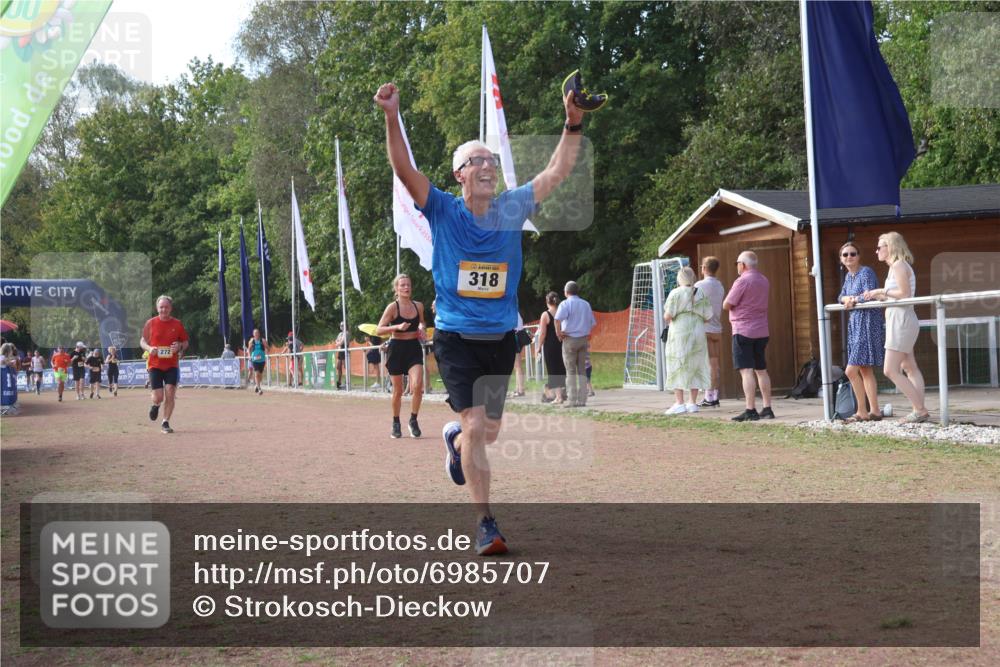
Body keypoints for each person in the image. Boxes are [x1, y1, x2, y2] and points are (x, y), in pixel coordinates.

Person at [376, 79, 584, 555]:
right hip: (455, 338)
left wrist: (572, 123)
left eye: (491, 160)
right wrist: (392, 116)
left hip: (500, 338)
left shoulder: (513, 206)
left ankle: (454, 444)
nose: (488, 166)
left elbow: (558, 170)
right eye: (477, 161)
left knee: (486, 432)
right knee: (475, 427)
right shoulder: (442, 210)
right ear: (459, 175)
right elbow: (404, 169)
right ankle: (486, 523)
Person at [863, 232, 929, 423]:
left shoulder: (899, 265)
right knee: (909, 367)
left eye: (879, 247)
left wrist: (880, 291)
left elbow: (905, 294)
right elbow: (897, 295)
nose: (876, 251)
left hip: (901, 320)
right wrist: (879, 296)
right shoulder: (895, 267)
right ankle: (918, 410)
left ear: (890, 247)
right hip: (900, 319)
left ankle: (920, 409)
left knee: (890, 370)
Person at [723, 251, 774, 421]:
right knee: (761, 370)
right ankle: (767, 408)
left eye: (737, 263)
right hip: (762, 330)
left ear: (743, 265)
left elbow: (727, 304)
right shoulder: (764, 280)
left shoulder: (742, 281)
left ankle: (750, 409)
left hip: (743, 330)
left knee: (746, 371)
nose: (737, 266)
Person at [838, 242, 884, 422]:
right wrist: (847, 299)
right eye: (845, 255)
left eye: (853, 254)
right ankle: (875, 411)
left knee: (851, 371)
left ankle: (862, 411)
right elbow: (841, 296)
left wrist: (854, 300)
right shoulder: (848, 276)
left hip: (868, 323)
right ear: (841, 259)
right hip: (855, 325)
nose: (849, 257)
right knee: (864, 369)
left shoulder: (866, 273)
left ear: (859, 256)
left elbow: (869, 295)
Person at [376, 274, 426, 439]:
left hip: (413, 348)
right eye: (402, 285)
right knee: (398, 391)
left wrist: (421, 327)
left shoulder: (418, 306)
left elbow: (422, 322)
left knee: (417, 385)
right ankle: (396, 422)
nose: (406, 287)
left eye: (408, 285)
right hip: (397, 349)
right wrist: (396, 327)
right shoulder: (392, 307)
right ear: (396, 289)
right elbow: (379, 329)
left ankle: (413, 420)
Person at [663, 266, 713, 414]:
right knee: (695, 364)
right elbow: (708, 316)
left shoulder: (675, 293)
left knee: (676, 363)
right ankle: (692, 403)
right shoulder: (701, 292)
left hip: (680, 332)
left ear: (680, 278)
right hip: (698, 331)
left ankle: (679, 402)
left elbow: (668, 315)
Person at [140, 295, 189, 434]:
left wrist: (179, 346)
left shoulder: (177, 324)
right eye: (161, 307)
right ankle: (156, 405)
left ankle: (165, 422)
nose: (164, 310)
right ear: (157, 308)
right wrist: (149, 348)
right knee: (159, 397)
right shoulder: (150, 323)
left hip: (172, 365)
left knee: (170, 392)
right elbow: (142, 341)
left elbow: (185, 342)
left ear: (170, 308)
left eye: (166, 307)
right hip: (154, 365)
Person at [555, 281, 597, 408]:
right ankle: (582, 400)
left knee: (570, 371)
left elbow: (557, 319)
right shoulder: (586, 304)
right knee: (582, 370)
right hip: (583, 340)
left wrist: (559, 334)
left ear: (566, 292)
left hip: (570, 339)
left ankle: (572, 400)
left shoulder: (565, 304)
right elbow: (592, 323)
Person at [695, 256, 726, 407]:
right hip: (717, 329)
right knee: (714, 364)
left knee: (707, 365)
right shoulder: (720, 286)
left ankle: (708, 397)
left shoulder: (699, 285)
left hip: (704, 328)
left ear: (704, 268)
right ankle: (714, 396)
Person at [536, 292, 566, 404]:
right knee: (562, 368)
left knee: (553, 370)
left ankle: (558, 397)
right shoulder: (562, 312)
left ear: (547, 301)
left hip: (550, 345)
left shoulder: (545, 315)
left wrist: (538, 346)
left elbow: (542, 333)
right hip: (562, 343)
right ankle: (563, 393)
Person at [246, 329, 268, 395]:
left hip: (262, 360)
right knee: (256, 374)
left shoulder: (263, 340)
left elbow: (268, 348)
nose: (256, 334)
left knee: (260, 375)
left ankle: (256, 385)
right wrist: (249, 356)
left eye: (257, 333)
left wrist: (266, 350)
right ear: (253, 334)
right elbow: (249, 349)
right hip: (254, 359)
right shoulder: (251, 341)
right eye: (255, 333)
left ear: (259, 333)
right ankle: (259, 389)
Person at [511, 313, 529, 397]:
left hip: (515, 337)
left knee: (517, 366)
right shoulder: (516, 312)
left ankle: (521, 389)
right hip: (518, 335)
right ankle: (518, 388)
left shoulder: (512, 312)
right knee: (517, 366)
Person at [334, 324, 348, 390]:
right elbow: (336, 341)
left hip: (344, 350)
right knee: (338, 366)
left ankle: (347, 382)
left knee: (345, 366)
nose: (341, 327)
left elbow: (341, 342)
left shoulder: (347, 333)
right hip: (340, 351)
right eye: (340, 325)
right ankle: (339, 382)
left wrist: (338, 343)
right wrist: (338, 342)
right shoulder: (340, 333)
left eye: (342, 325)